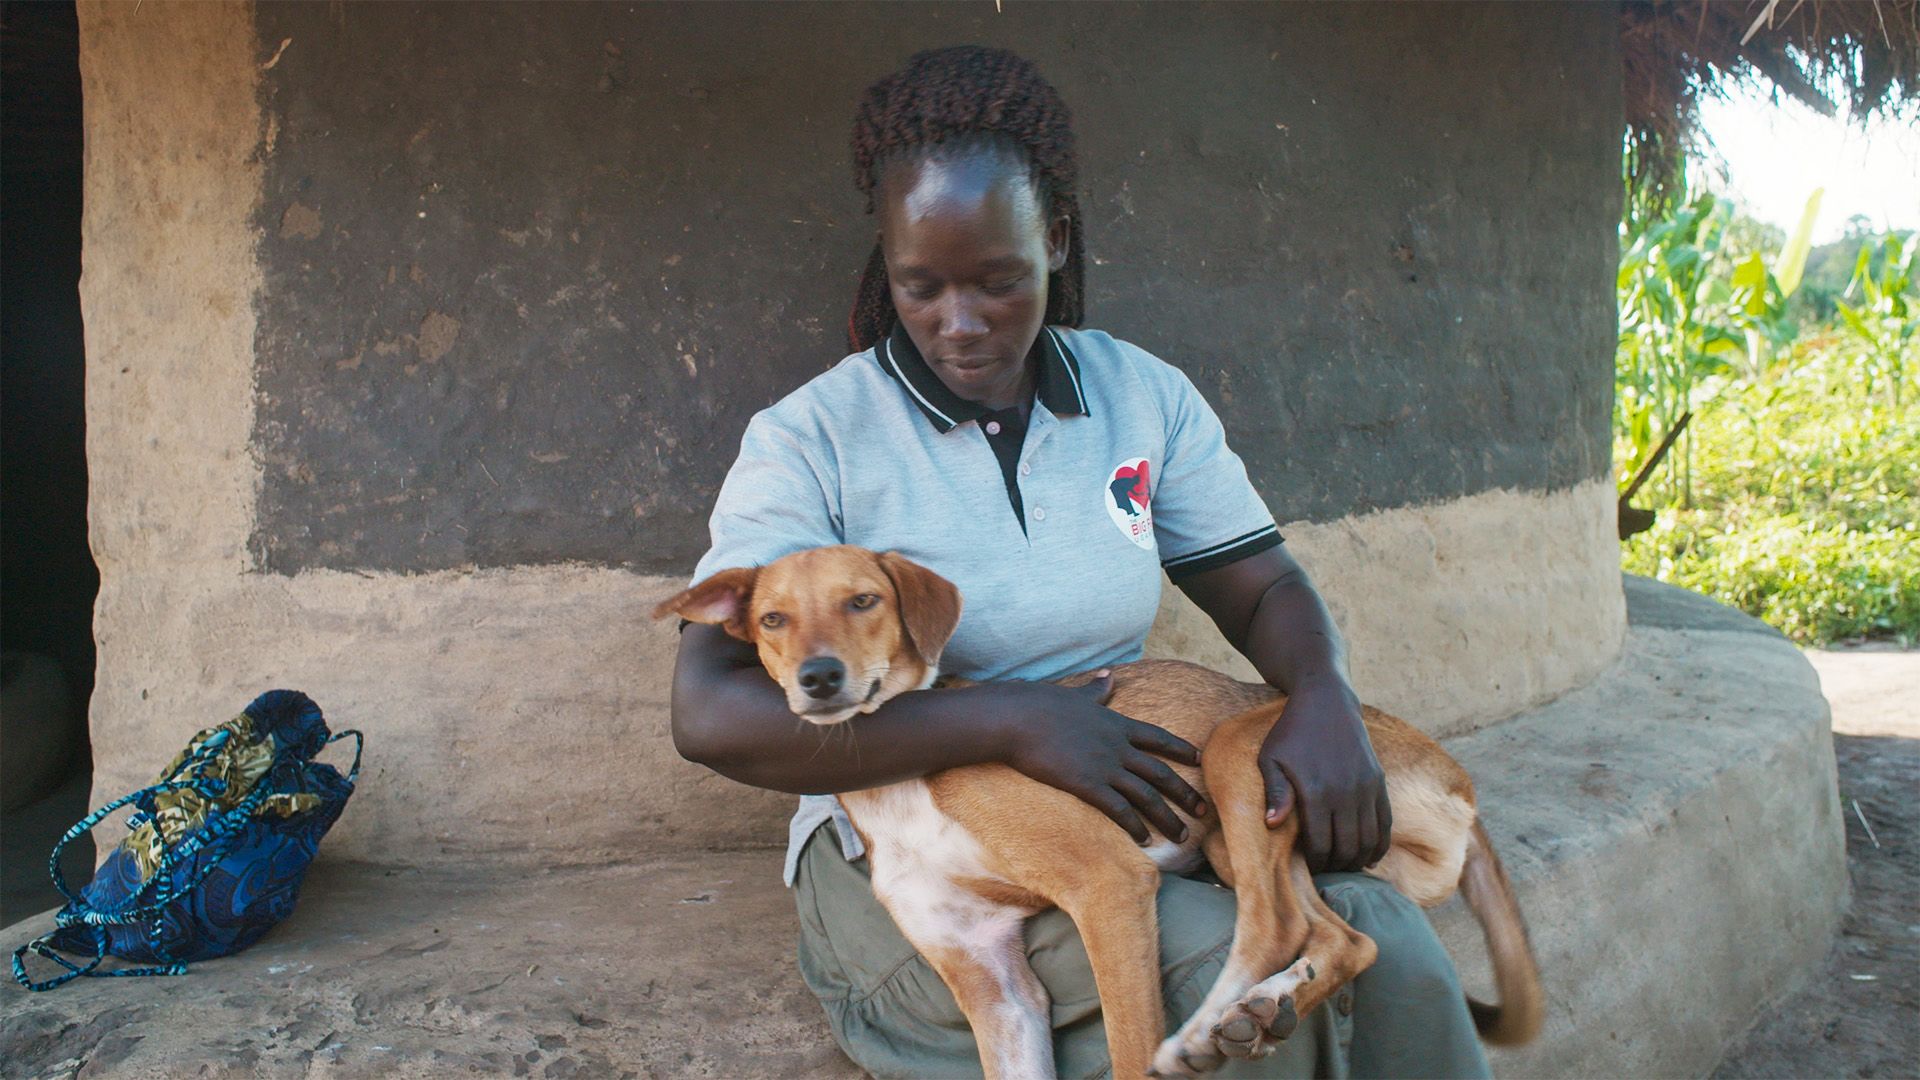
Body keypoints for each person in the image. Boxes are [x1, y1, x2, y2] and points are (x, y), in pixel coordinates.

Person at [669, 45, 1491, 1080]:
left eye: (999, 281)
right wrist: (1015, 717)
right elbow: (708, 711)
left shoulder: (1139, 396)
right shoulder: (811, 438)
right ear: (884, 262)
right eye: (919, 287)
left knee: (1388, 938)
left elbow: (1265, 582)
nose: (957, 324)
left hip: (1112, 802)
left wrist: (1321, 694)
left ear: (1055, 241)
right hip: (912, 836)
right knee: (1225, 988)